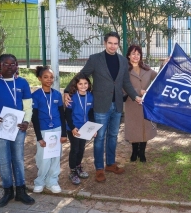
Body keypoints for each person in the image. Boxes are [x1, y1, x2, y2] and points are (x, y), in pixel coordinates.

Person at [64, 32, 142, 183]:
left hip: (117, 105)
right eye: (110, 43)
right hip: (100, 105)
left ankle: (111, 164)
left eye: (115, 43)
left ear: (118, 44)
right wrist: (67, 90)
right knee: (99, 137)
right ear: (105, 43)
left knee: (113, 136)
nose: (113, 46)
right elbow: (82, 74)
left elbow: (126, 82)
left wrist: (135, 96)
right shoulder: (95, 59)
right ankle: (99, 168)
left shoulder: (122, 61)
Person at [0, 54, 35, 208]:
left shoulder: (22, 83)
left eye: (13, 64)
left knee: (18, 159)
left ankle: (21, 191)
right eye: (6, 64)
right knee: (4, 161)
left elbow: (28, 106)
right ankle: (7, 191)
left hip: (18, 128)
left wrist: (26, 121)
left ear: (17, 65)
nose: (10, 67)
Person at [31, 66, 67, 193]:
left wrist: (64, 133)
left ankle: (52, 181)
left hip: (57, 129)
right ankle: (40, 181)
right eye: (45, 77)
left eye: (51, 77)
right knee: (43, 157)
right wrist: (39, 137)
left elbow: (62, 115)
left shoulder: (57, 94)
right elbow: (34, 117)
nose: (49, 79)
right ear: (40, 78)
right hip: (43, 130)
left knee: (55, 156)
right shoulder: (35, 95)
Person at [125, 45, 158, 162]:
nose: (135, 56)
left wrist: (165, 64)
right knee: (134, 128)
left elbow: (159, 77)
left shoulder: (147, 69)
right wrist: (138, 91)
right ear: (128, 55)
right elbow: (122, 87)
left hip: (146, 105)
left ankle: (142, 153)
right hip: (132, 103)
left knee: (145, 127)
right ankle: (134, 151)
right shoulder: (124, 70)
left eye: (138, 54)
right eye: (133, 54)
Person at [65, 73, 95, 185]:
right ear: (76, 85)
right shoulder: (72, 97)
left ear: (89, 84)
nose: (83, 86)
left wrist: (93, 128)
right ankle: (72, 171)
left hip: (85, 128)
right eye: (80, 84)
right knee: (75, 148)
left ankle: (78, 167)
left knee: (82, 148)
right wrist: (72, 128)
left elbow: (91, 113)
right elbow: (67, 114)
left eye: (85, 83)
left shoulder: (91, 96)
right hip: (73, 127)